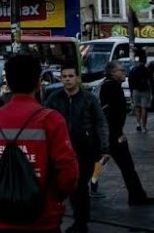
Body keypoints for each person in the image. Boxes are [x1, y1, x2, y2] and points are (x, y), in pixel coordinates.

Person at [0, 54, 79, 233]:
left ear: (9, 83)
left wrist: (1, 196)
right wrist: (53, 198)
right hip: (44, 218)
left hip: (1, 218)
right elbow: (69, 173)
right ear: (38, 82)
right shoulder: (51, 120)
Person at [45, 64, 110, 233]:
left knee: (79, 187)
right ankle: (57, 221)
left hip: (85, 151)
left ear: (77, 78)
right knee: (58, 187)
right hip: (60, 150)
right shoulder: (54, 98)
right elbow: (45, 120)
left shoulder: (89, 99)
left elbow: (100, 122)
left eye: (70, 76)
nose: (67, 79)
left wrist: (104, 147)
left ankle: (81, 223)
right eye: (64, 76)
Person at [99, 60, 154, 206]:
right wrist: (118, 133)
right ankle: (137, 197)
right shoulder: (111, 87)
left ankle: (137, 196)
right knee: (127, 166)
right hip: (113, 135)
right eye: (121, 70)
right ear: (113, 73)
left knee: (126, 167)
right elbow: (111, 113)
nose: (124, 72)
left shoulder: (111, 86)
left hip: (111, 133)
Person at [127, 51, 152, 132]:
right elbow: (150, 81)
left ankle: (138, 123)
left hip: (135, 91)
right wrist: (151, 92)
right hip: (145, 91)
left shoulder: (133, 70)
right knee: (144, 108)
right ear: (145, 61)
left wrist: (131, 92)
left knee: (137, 108)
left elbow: (130, 81)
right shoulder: (147, 70)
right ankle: (144, 126)